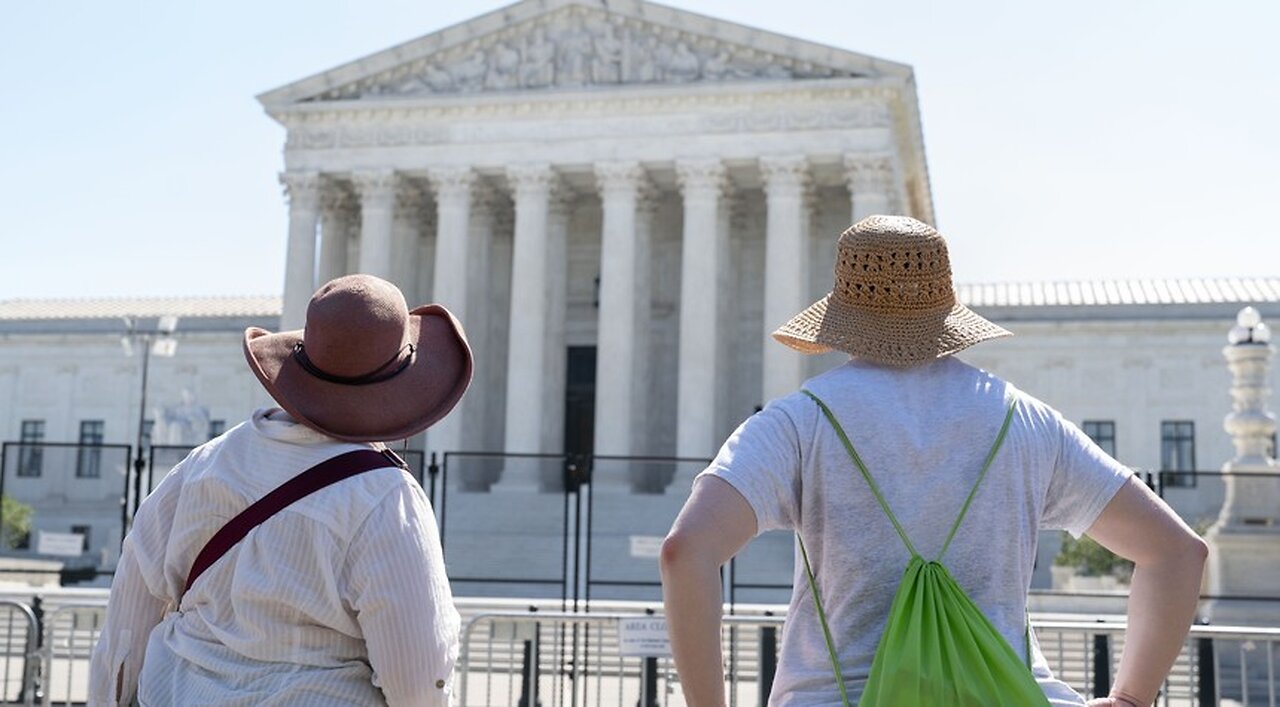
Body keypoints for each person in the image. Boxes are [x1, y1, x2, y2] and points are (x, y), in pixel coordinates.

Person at [660, 216, 1206, 706]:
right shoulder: (1027, 421)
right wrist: (1131, 697)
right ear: (945, 310)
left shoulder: (797, 422)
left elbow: (686, 553)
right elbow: (1178, 552)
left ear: (842, 314)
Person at [89, 274, 473, 706]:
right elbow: (419, 673)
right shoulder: (385, 497)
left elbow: (127, 625)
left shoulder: (202, 466)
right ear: (401, 389)